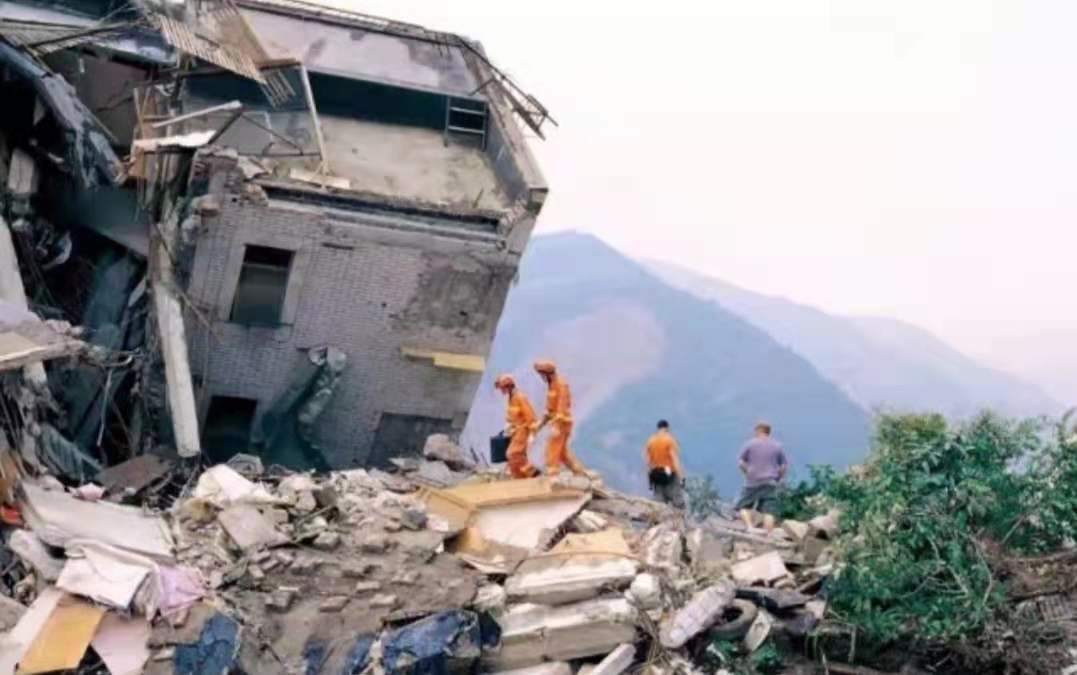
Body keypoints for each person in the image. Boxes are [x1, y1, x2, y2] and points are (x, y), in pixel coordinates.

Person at [533, 360, 588, 476]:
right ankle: (580, 473)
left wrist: (557, 426)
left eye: (542, 374)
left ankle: (552, 476)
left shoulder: (561, 385)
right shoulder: (551, 386)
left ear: (547, 373)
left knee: (552, 448)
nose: (541, 377)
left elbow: (562, 407)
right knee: (562, 453)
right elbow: (549, 409)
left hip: (562, 423)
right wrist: (540, 424)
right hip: (556, 422)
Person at [736, 421, 787, 531]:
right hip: (770, 482)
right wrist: (778, 478)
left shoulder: (749, 444)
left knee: (743, 506)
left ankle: (750, 528)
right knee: (769, 511)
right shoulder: (777, 446)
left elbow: (740, 462)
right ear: (768, 432)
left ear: (758, 431)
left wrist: (747, 473)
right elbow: (783, 465)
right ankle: (767, 535)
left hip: (752, 481)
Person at [494, 374, 540, 479]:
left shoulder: (520, 398)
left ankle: (534, 473)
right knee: (512, 460)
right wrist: (508, 426)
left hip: (523, 431)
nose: (501, 391)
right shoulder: (511, 398)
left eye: (502, 388)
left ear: (509, 386)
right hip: (515, 432)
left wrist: (532, 434)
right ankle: (519, 479)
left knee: (513, 454)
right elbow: (512, 416)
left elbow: (531, 417)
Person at [644, 420, 685, 508]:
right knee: (678, 502)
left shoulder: (650, 441)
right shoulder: (669, 440)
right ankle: (678, 521)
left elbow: (647, 462)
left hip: (656, 474)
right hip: (670, 474)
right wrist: (682, 478)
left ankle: (659, 520)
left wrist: (650, 481)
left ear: (658, 428)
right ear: (667, 428)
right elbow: (675, 460)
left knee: (659, 504)